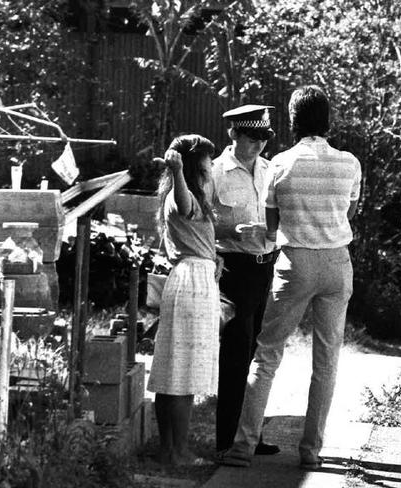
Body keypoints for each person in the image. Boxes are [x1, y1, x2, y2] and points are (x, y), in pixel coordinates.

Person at [219, 85, 361, 470]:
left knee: (266, 356)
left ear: (293, 120)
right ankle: (311, 451)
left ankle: (242, 446)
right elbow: (348, 213)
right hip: (336, 263)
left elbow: (270, 227)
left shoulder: (280, 163)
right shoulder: (349, 163)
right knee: (327, 360)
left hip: (294, 263)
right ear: (328, 120)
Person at [146, 134, 221, 466]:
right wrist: (177, 171)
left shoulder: (194, 195)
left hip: (193, 278)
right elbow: (184, 204)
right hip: (191, 283)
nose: (210, 165)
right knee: (183, 373)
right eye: (206, 158)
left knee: (174, 370)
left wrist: (213, 257)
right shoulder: (182, 194)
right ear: (194, 163)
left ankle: (170, 449)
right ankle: (178, 452)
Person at [210, 104, 280, 456]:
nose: (258, 146)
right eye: (251, 139)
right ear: (233, 134)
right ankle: (227, 438)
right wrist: (231, 229)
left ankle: (250, 434)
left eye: (263, 139)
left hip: (266, 265)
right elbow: (200, 222)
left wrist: (273, 232)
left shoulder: (270, 170)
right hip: (234, 267)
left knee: (259, 354)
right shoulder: (216, 172)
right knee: (236, 354)